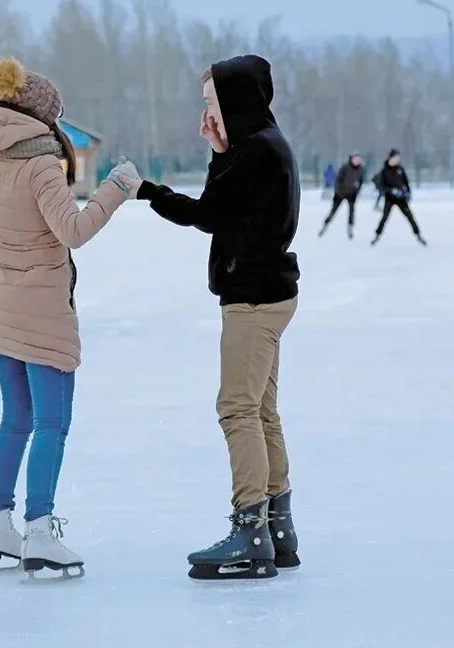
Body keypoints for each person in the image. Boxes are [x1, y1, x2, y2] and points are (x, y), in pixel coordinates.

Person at [0, 57, 138, 578]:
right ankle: (38, 530)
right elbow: (74, 230)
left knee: (15, 419)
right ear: (43, 118)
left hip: (0, 302)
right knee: (51, 423)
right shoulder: (41, 164)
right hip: (42, 309)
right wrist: (117, 186)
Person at [132, 55, 301, 581]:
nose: (206, 113)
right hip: (268, 293)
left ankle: (251, 532)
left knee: (237, 410)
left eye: (212, 103)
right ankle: (277, 528)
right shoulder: (261, 146)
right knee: (260, 410)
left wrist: (147, 191)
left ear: (236, 101)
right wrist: (218, 151)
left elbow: (207, 213)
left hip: (253, 300)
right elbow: (226, 203)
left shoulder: (258, 153)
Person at [371, 149, 426, 246]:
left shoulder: (400, 169)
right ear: (390, 158)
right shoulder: (384, 170)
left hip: (401, 198)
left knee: (410, 216)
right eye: (395, 158)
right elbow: (382, 186)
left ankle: (418, 235)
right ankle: (377, 235)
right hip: (390, 199)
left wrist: (408, 193)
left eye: (398, 158)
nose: (397, 160)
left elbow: (406, 182)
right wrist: (391, 191)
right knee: (384, 217)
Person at [319, 153, 365, 239]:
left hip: (351, 193)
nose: (357, 161)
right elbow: (338, 180)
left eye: (359, 160)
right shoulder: (345, 167)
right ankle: (325, 225)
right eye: (356, 159)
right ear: (352, 159)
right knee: (334, 210)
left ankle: (350, 228)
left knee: (351, 211)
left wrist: (356, 192)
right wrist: (338, 191)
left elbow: (361, 181)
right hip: (340, 193)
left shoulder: (360, 169)